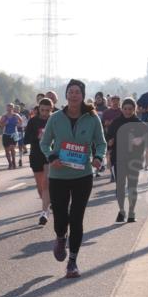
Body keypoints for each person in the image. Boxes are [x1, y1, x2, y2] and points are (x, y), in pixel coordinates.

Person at [39, 79, 106, 278]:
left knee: (77, 218)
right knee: (60, 217)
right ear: (66, 95)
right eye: (71, 91)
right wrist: (52, 157)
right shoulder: (55, 118)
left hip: (82, 175)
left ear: (82, 96)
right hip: (59, 175)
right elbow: (44, 143)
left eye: (78, 92)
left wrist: (98, 158)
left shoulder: (92, 118)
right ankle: (61, 237)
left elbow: (100, 144)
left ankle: (72, 262)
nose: (74, 95)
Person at [107, 97, 148, 223]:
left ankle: (132, 212)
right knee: (120, 186)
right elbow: (107, 138)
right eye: (125, 109)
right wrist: (110, 142)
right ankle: (121, 211)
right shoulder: (116, 122)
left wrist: (141, 139)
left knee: (132, 186)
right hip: (118, 159)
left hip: (134, 159)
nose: (127, 111)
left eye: (130, 109)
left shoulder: (139, 123)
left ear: (134, 109)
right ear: (121, 109)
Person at [24, 98, 53, 225]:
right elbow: (25, 139)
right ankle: (46, 203)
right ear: (38, 109)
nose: (45, 113)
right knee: (40, 185)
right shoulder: (33, 121)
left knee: (46, 182)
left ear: (51, 109)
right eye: (42, 110)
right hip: (36, 154)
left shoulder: (55, 120)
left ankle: (44, 212)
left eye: (47, 110)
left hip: (49, 155)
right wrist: (37, 136)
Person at [101, 95, 123, 182]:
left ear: (119, 101)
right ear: (111, 101)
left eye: (117, 100)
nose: (115, 102)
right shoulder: (106, 112)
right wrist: (107, 123)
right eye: (113, 100)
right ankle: (112, 174)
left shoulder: (122, 111)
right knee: (109, 155)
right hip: (109, 135)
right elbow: (103, 123)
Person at [0, 103, 23, 169]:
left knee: (12, 148)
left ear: (13, 108)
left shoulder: (16, 115)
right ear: (6, 108)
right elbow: (0, 125)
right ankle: (10, 163)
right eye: (8, 107)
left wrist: (18, 124)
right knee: (7, 150)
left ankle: (14, 162)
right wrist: (4, 123)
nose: (9, 109)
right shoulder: (4, 116)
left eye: (10, 107)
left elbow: (21, 121)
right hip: (6, 134)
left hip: (14, 134)